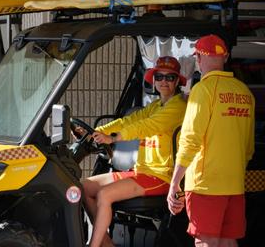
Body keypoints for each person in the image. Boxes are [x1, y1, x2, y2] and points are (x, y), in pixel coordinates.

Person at [81, 56, 188, 247]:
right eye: (159, 76)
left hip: (162, 176)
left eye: (170, 77)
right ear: (153, 80)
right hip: (142, 172)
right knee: (83, 187)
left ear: (178, 81)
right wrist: (98, 132)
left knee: (105, 195)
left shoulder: (178, 106)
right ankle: (105, 244)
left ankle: (94, 245)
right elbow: (127, 121)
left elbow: (146, 127)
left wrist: (113, 139)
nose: (163, 81)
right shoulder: (155, 106)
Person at [167, 35, 255, 247]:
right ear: (225, 56)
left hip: (205, 185)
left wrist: (175, 181)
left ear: (198, 57)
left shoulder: (203, 90)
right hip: (234, 183)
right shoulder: (244, 92)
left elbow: (190, 139)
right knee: (228, 242)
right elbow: (248, 148)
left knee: (205, 241)